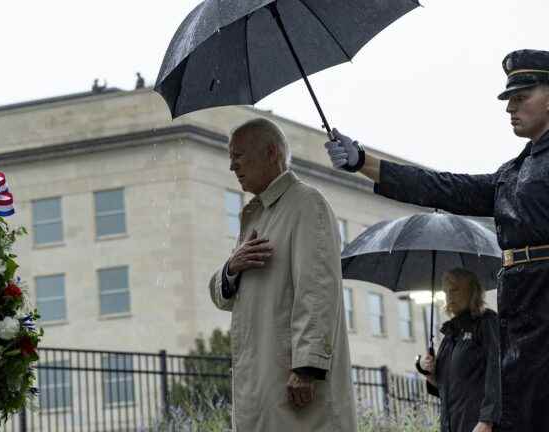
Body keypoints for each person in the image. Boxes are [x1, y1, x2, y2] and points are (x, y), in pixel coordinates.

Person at [323, 49, 549, 431]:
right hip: (521, 302)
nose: (510, 107)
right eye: (509, 99)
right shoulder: (512, 172)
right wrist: (364, 161)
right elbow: (445, 187)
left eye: (522, 97)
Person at [209, 118, 357, 431]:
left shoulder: (306, 204)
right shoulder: (255, 216)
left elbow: (317, 288)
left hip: (295, 387)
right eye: (230, 158)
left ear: (272, 152)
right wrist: (231, 268)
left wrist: (308, 367)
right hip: (262, 385)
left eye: (239, 156)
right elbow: (220, 297)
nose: (232, 167)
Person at [418, 268, 500, 432]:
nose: (449, 295)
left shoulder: (486, 322)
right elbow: (444, 387)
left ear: (472, 292)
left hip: (478, 425)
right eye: (446, 291)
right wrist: (428, 371)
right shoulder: (450, 333)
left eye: (455, 289)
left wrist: (487, 420)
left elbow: (496, 370)